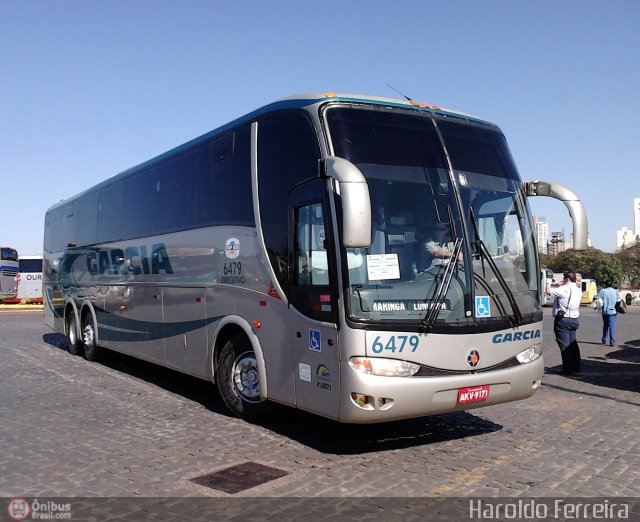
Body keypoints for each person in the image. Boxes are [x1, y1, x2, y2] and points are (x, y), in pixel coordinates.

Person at [550, 272, 582, 374]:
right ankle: (576, 366)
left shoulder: (564, 289)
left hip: (563, 320)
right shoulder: (578, 289)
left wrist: (551, 283)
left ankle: (567, 368)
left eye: (564, 279)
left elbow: (547, 291)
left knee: (564, 345)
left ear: (567, 279)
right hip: (574, 319)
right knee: (573, 344)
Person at [595, 280, 618, 347]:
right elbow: (619, 299)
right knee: (612, 326)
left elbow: (597, 297)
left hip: (605, 311)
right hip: (613, 311)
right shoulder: (615, 291)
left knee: (605, 325)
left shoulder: (603, 291)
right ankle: (612, 342)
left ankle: (604, 339)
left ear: (605, 285)